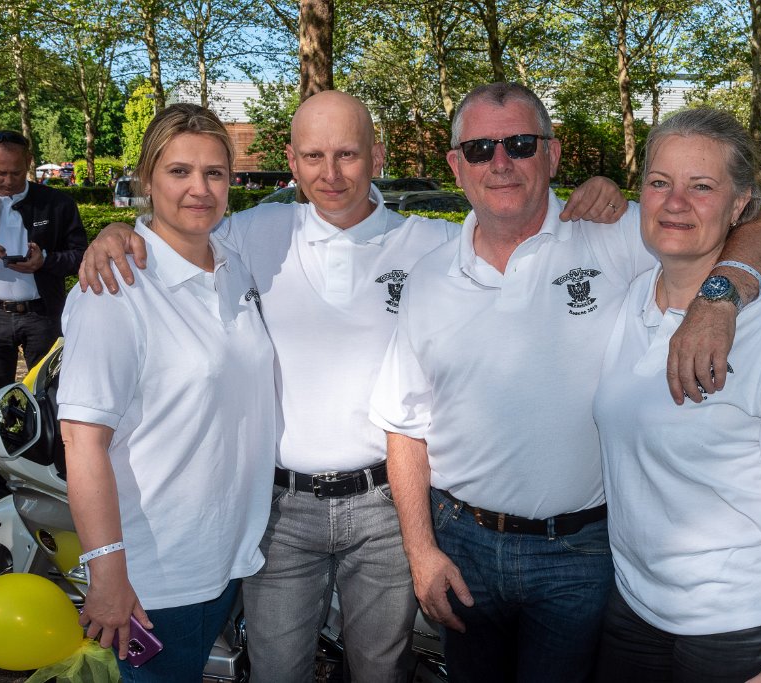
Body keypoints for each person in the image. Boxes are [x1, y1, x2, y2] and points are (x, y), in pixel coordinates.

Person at [77, 90, 625, 682]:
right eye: (313, 156)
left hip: (385, 507)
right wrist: (118, 232)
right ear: (291, 161)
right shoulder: (252, 234)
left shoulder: (432, 244)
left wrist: (596, 194)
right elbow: (176, 231)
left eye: (348, 154)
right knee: (277, 670)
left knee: (381, 669)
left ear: (377, 156)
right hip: (280, 509)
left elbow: (510, 224)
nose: (331, 173)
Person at [368, 84, 761, 683]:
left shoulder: (616, 235)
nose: (500, 162)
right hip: (462, 544)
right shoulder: (429, 277)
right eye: (480, 148)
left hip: (579, 552)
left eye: (521, 144)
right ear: (455, 165)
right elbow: (404, 424)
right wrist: (421, 551)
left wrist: (718, 298)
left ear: (552, 154)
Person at [592, 108, 761, 682]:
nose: (675, 202)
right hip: (634, 607)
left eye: (701, 187)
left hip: (737, 626)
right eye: (660, 182)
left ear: (739, 205)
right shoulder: (628, 299)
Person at [57, 103, 276, 682]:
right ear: (147, 180)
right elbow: (81, 439)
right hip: (155, 577)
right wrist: (107, 573)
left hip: (226, 557)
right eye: (179, 171)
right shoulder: (115, 289)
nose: (199, 188)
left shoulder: (234, 266)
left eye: (214, 173)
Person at [0, 129, 87, 504]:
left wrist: (46, 261)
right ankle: (2, 486)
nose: (7, 181)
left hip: (41, 316)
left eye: (15, 173)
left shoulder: (56, 204)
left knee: (50, 401)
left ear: (28, 164)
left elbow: (81, 255)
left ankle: (51, 478)